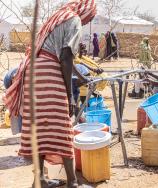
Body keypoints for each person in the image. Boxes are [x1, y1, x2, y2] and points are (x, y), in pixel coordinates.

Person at [3, 1, 96, 187]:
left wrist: (79, 75)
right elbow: (65, 56)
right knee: (63, 125)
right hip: (48, 72)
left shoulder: (59, 17)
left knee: (41, 127)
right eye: (89, 19)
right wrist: (70, 96)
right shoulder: (74, 19)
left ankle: (40, 179)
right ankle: (72, 182)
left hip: (33, 71)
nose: (86, 22)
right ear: (86, 12)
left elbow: (61, 54)